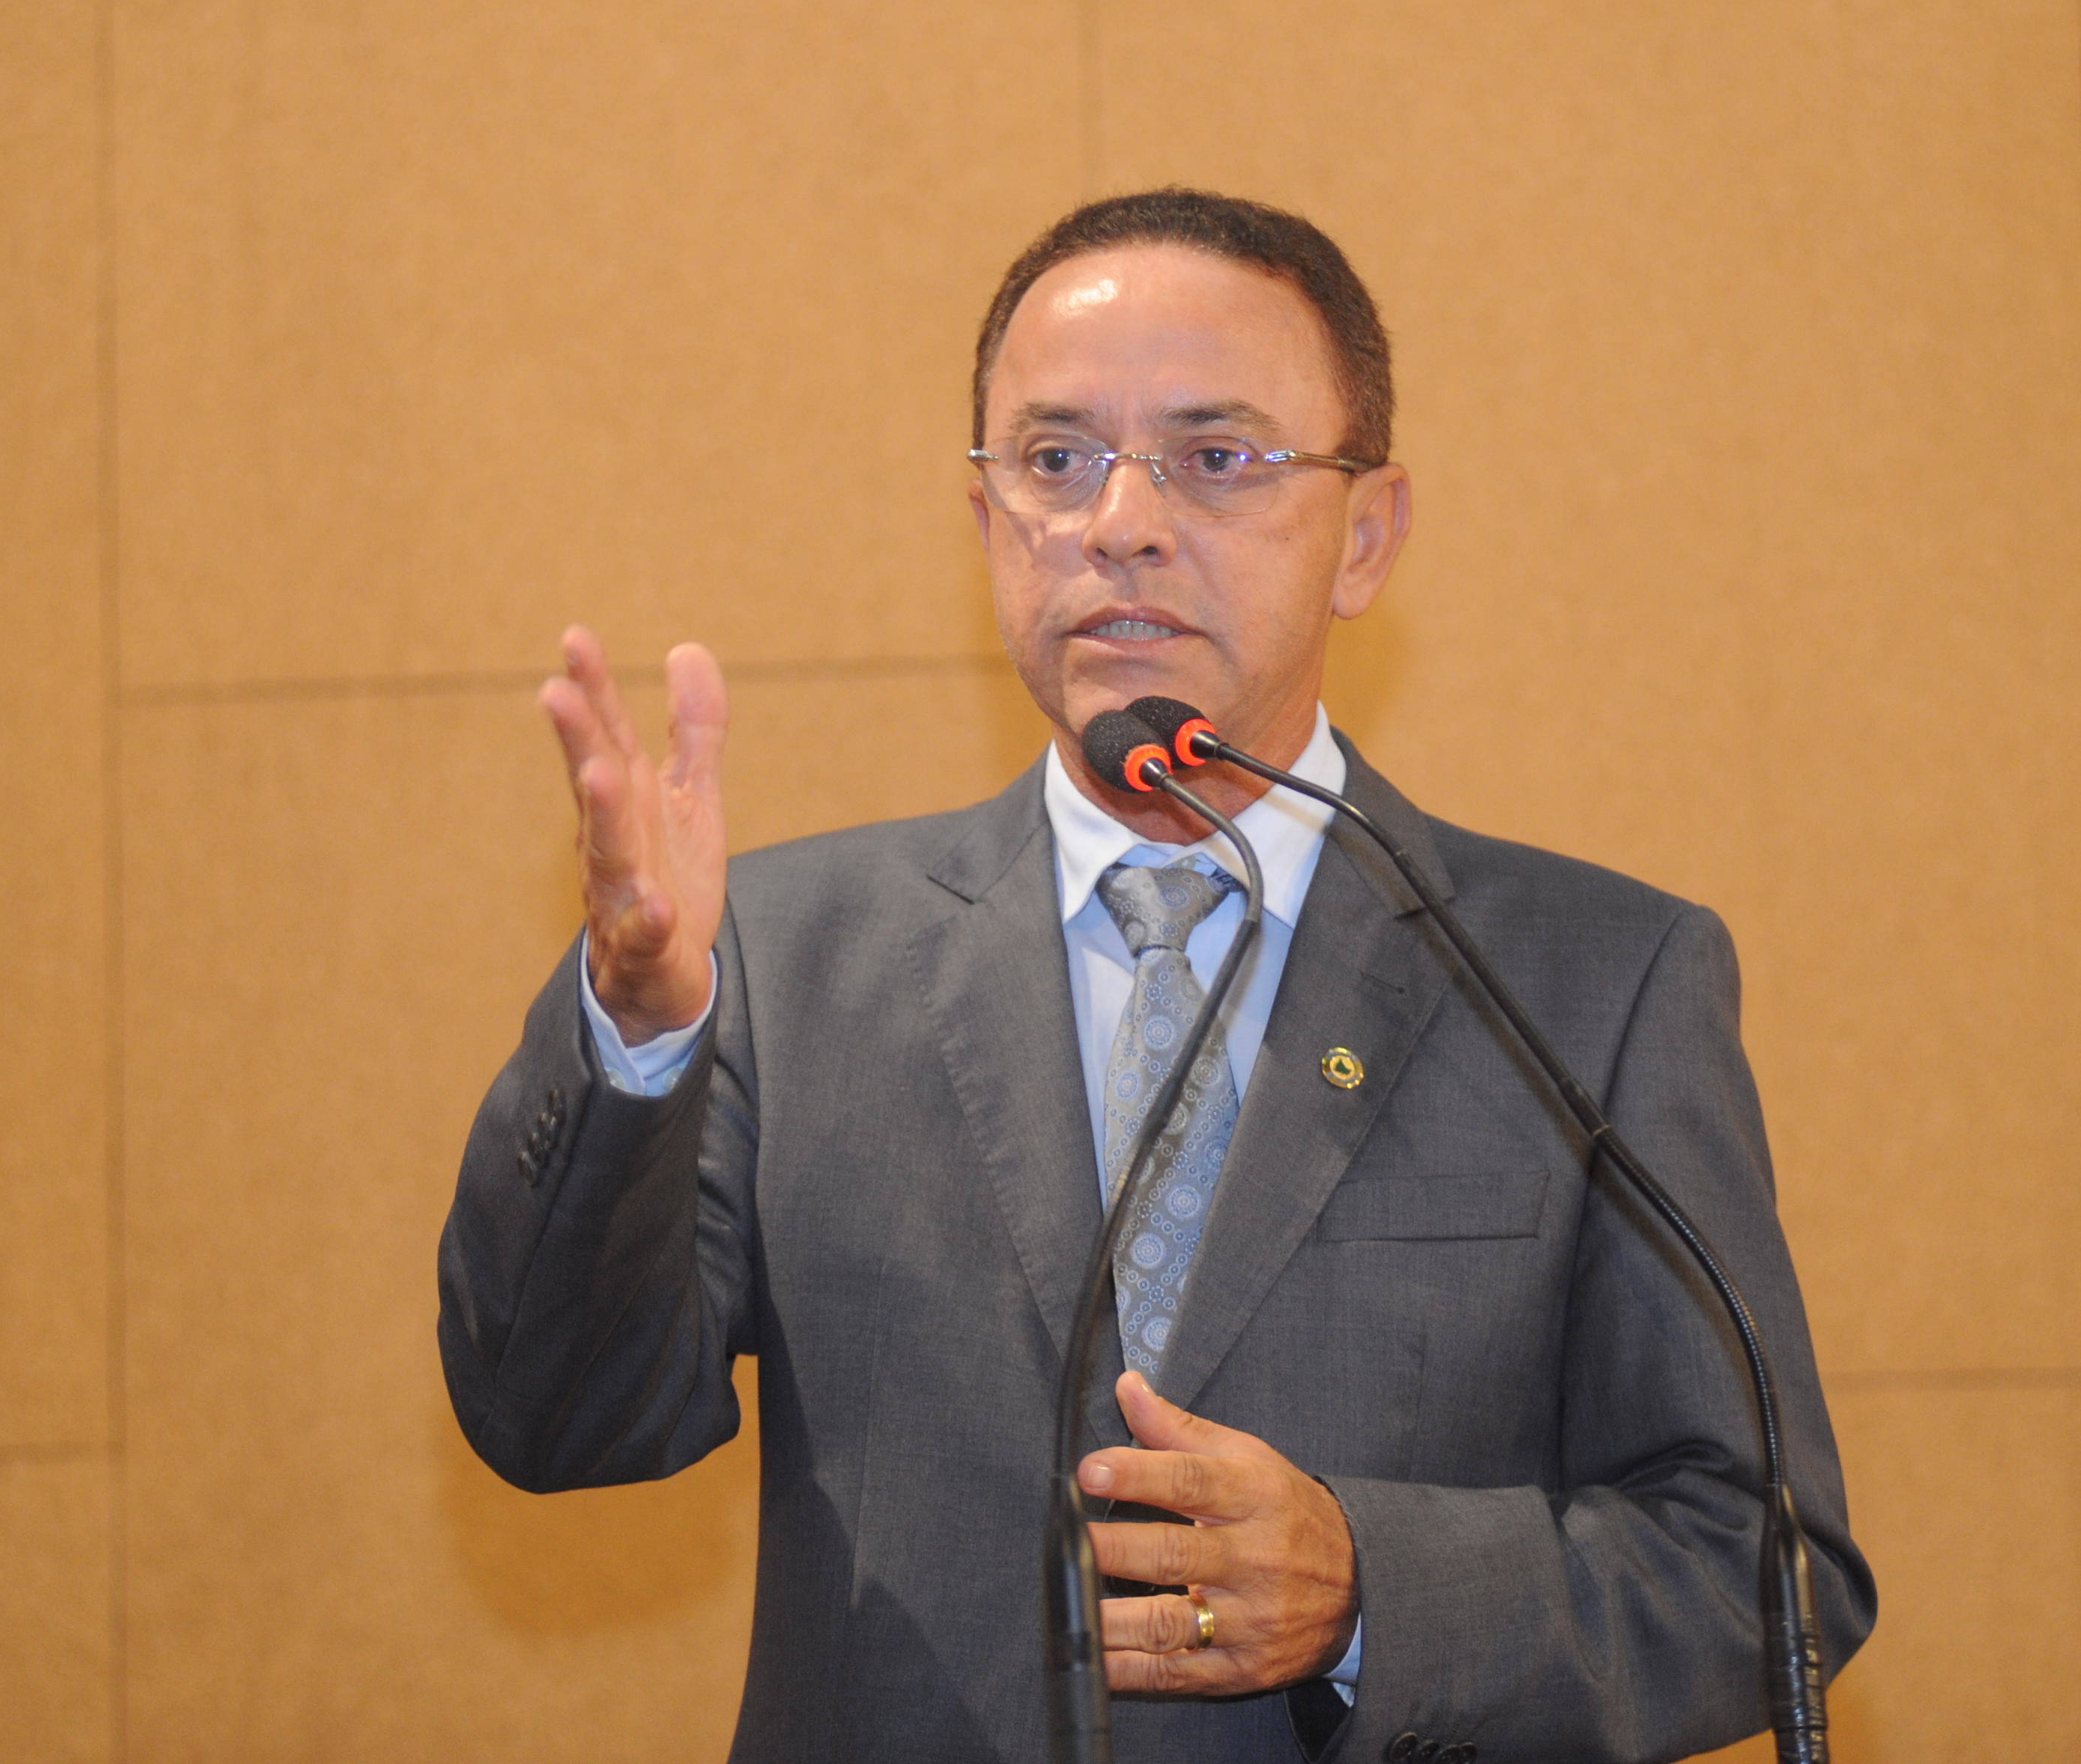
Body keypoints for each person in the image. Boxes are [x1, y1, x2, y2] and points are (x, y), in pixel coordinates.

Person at [439, 189, 1873, 1763]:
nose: (1119, 522)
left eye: (1217, 457)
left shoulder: (1591, 982)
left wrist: (1372, 1594)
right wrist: (639, 1034)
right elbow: (555, 1417)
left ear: (1366, 536)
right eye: (1055, 460)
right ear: (987, 522)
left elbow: (1763, 1574)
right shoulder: (779, 965)